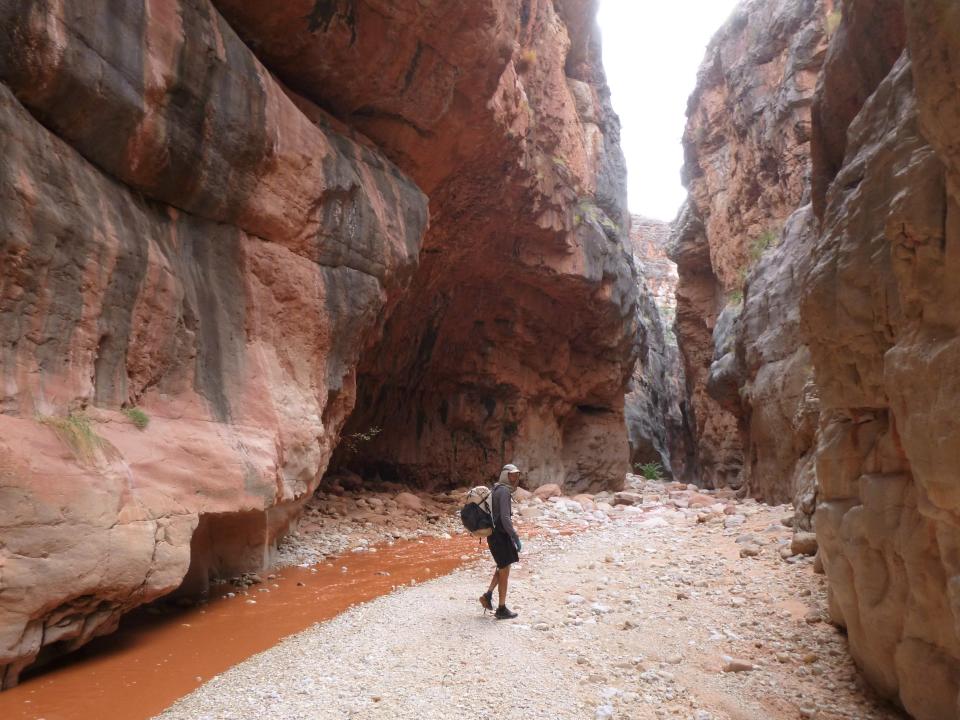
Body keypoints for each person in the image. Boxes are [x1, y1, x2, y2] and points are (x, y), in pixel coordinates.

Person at [479, 463, 522, 619]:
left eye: (516, 475)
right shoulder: (503, 491)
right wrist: (515, 536)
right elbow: (504, 517)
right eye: (511, 475)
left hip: (494, 535)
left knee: (502, 567)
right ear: (505, 475)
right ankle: (501, 608)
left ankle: (488, 595)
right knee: (504, 572)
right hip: (500, 536)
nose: (514, 478)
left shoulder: (495, 489)